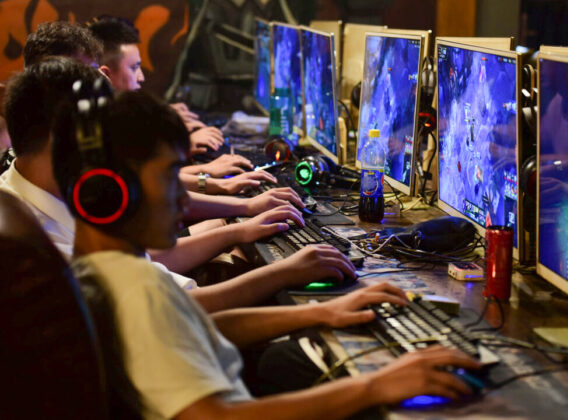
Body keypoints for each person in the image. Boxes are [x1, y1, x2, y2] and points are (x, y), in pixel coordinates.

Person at [52, 88, 481, 420]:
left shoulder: (100, 269)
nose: (184, 202)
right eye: (169, 178)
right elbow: (219, 417)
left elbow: (195, 326)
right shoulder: (137, 288)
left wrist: (318, 313)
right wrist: (375, 385)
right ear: (109, 193)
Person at [0, 57, 352, 313]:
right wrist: (284, 273)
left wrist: (238, 229)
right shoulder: (30, 240)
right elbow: (175, 305)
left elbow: (148, 265)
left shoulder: (52, 197)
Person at [87, 14, 262, 196]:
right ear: (104, 75)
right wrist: (210, 177)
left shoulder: (107, 121)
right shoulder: (97, 132)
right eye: (133, 68)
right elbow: (159, 181)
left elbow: (154, 176)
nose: (141, 77)